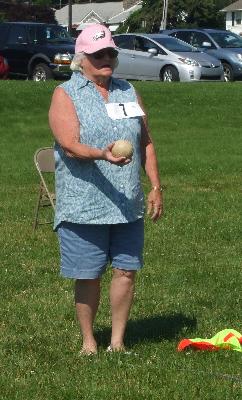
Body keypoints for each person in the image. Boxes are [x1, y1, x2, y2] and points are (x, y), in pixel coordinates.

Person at [49, 24, 163, 355]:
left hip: (127, 202)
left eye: (111, 52)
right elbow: (69, 145)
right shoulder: (66, 95)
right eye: (99, 54)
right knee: (88, 274)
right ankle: (89, 343)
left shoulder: (128, 91)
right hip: (85, 203)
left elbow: (146, 142)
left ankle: (117, 342)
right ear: (81, 59)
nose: (107, 59)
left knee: (126, 271)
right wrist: (102, 154)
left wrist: (155, 185)